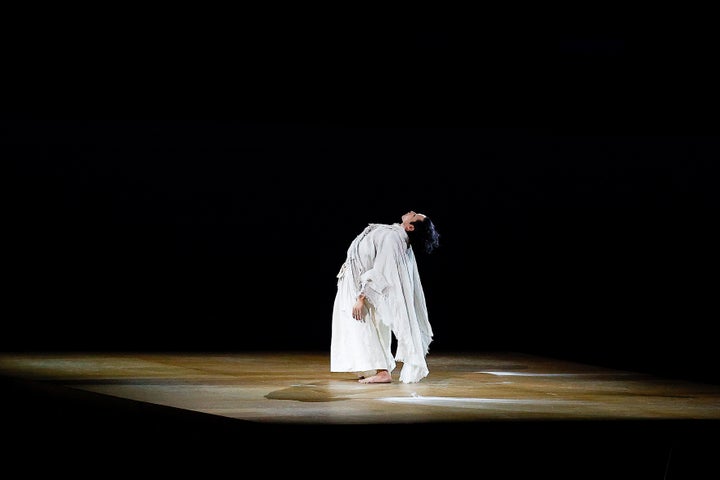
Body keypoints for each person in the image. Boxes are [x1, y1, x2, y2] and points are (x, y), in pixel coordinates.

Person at [330, 211, 440, 384]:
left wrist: (361, 297)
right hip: (355, 281)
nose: (412, 212)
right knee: (362, 326)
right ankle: (372, 367)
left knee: (362, 324)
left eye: (415, 215)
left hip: (361, 287)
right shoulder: (395, 235)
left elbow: (381, 272)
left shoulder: (393, 239)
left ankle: (382, 371)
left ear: (410, 226)